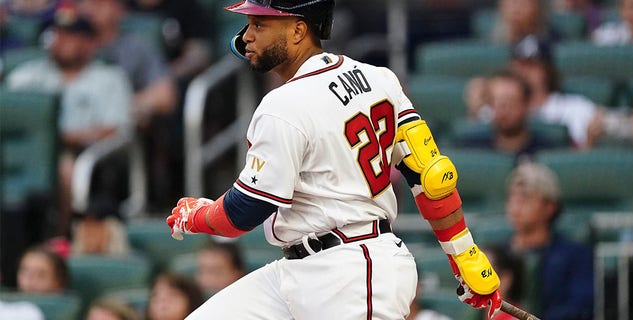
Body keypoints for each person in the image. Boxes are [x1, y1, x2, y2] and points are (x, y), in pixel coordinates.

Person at [165, 1, 502, 319]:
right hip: (296, 271)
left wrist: (197, 215)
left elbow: (244, 211)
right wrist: (464, 255)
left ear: (298, 30)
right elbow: (430, 176)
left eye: (259, 24)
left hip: (355, 270)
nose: (247, 36)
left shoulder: (283, 105)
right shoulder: (379, 79)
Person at [6, 7, 133, 237]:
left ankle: (60, 237)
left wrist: (64, 137)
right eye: (57, 35)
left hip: (80, 157)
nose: (60, 42)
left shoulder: (109, 78)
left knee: (64, 168)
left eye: (69, 36)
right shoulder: (25, 76)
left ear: (90, 43)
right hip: (22, 156)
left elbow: (117, 130)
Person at [78, 0, 179, 210]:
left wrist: (120, 104)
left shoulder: (135, 47)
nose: (90, 9)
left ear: (118, 10)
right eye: (85, 2)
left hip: (117, 134)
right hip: (75, 127)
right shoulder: (70, 46)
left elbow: (165, 95)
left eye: (99, 4)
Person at [503, 162, 593, 319]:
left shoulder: (575, 255)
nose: (516, 206)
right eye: (512, 196)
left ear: (549, 206)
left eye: (525, 197)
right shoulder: (499, 255)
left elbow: (580, 307)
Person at [456, 69, 566, 161]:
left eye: (511, 101)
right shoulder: (472, 149)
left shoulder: (549, 152)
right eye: (497, 102)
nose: (504, 109)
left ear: (526, 104)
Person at [491, 0, 561, 45]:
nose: (516, 10)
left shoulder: (551, 40)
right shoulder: (495, 41)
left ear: (537, 6)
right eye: (512, 3)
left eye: (522, 3)